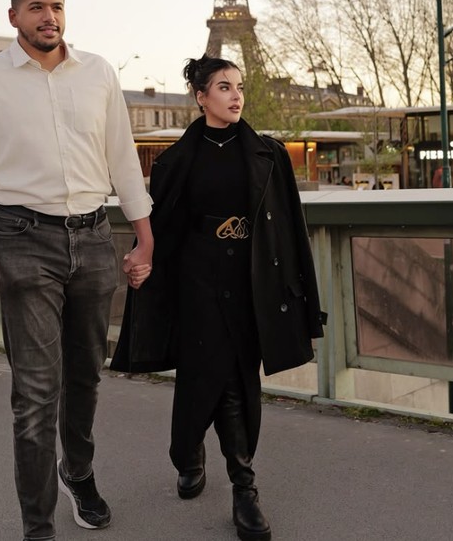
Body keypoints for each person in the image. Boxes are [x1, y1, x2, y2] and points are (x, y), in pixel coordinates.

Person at [0, 0, 154, 541]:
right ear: (14, 18)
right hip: (22, 237)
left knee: (86, 375)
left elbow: (123, 160)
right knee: (34, 393)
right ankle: (39, 528)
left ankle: (77, 472)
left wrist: (144, 235)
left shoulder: (100, 73)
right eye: (36, 7)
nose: (48, 16)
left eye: (56, 6)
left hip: (95, 235)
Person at [112, 54, 326, 541]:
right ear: (201, 96)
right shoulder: (174, 161)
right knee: (204, 373)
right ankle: (190, 453)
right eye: (224, 87)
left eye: (239, 86)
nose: (235, 95)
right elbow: (160, 228)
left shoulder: (270, 155)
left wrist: (304, 300)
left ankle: (242, 487)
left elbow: (292, 232)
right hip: (197, 282)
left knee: (240, 380)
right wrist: (141, 260)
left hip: (254, 283)